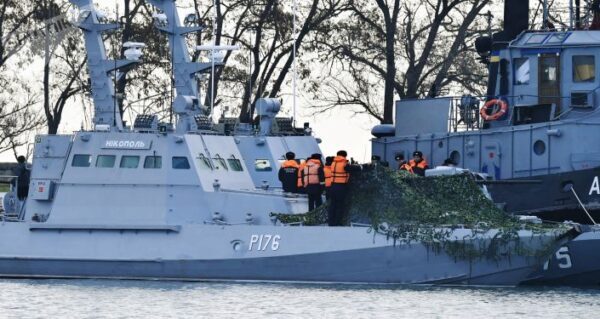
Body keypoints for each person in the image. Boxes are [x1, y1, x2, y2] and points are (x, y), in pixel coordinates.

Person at [328, 150, 361, 226]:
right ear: (344, 156)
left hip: (332, 185)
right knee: (340, 205)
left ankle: (331, 222)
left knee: (333, 205)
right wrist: (361, 167)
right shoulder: (344, 163)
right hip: (341, 186)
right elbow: (351, 168)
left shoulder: (333, 163)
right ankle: (338, 222)